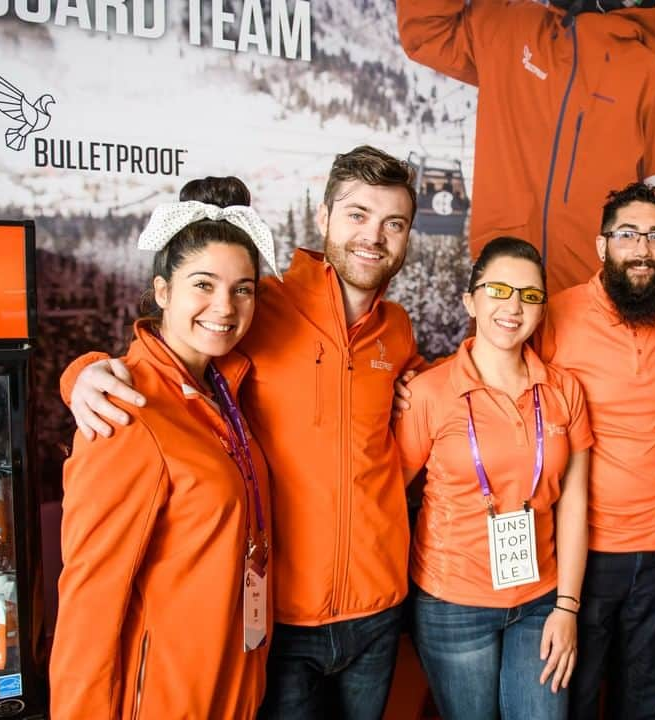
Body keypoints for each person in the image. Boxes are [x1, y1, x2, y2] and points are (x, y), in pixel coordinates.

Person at [62, 147, 424, 719]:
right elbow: (160, 364)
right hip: (278, 617)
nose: (373, 236)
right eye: (357, 215)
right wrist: (80, 374)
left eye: (393, 223)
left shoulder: (397, 331)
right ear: (324, 218)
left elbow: (436, 398)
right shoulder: (261, 303)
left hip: (374, 612)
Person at [50, 176, 277, 719]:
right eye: (203, 284)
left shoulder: (223, 388)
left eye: (242, 288)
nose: (224, 305)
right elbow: (89, 602)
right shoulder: (124, 409)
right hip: (165, 698)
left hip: (233, 681)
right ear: (162, 290)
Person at [396, 237, 592, 719]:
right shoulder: (427, 393)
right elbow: (386, 497)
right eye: (498, 289)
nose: (513, 306)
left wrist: (567, 607)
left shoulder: (565, 390)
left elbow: (573, 503)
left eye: (529, 295)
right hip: (452, 604)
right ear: (470, 299)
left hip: (541, 599)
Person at [536, 181, 655, 719]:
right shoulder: (557, 316)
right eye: (628, 235)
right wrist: (413, 383)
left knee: (644, 703)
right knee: (575, 701)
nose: (642, 249)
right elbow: (495, 367)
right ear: (603, 246)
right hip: (580, 552)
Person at [396, 0, 655, 293]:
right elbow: (427, 31)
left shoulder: (649, 80)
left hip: (595, 310)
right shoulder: (511, 29)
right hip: (504, 295)